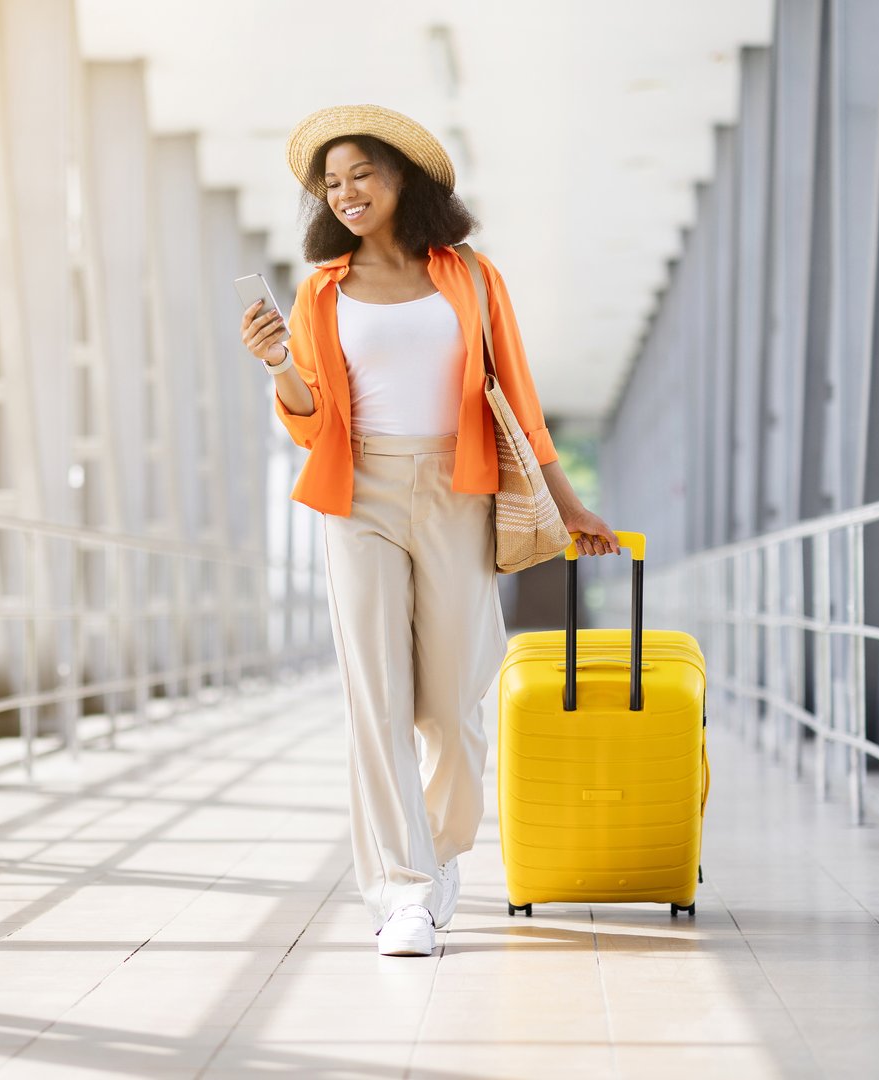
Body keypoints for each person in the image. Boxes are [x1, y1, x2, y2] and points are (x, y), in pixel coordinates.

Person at [239, 104, 618, 957]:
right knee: (375, 699)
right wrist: (276, 363)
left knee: (453, 701)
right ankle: (399, 890)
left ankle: (439, 851)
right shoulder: (319, 291)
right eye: (330, 184)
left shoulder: (470, 276)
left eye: (360, 175)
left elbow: (517, 401)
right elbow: (309, 421)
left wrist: (569, 505)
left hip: (459, 487)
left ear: (402, 176)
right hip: (359, 493)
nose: (344, 194)